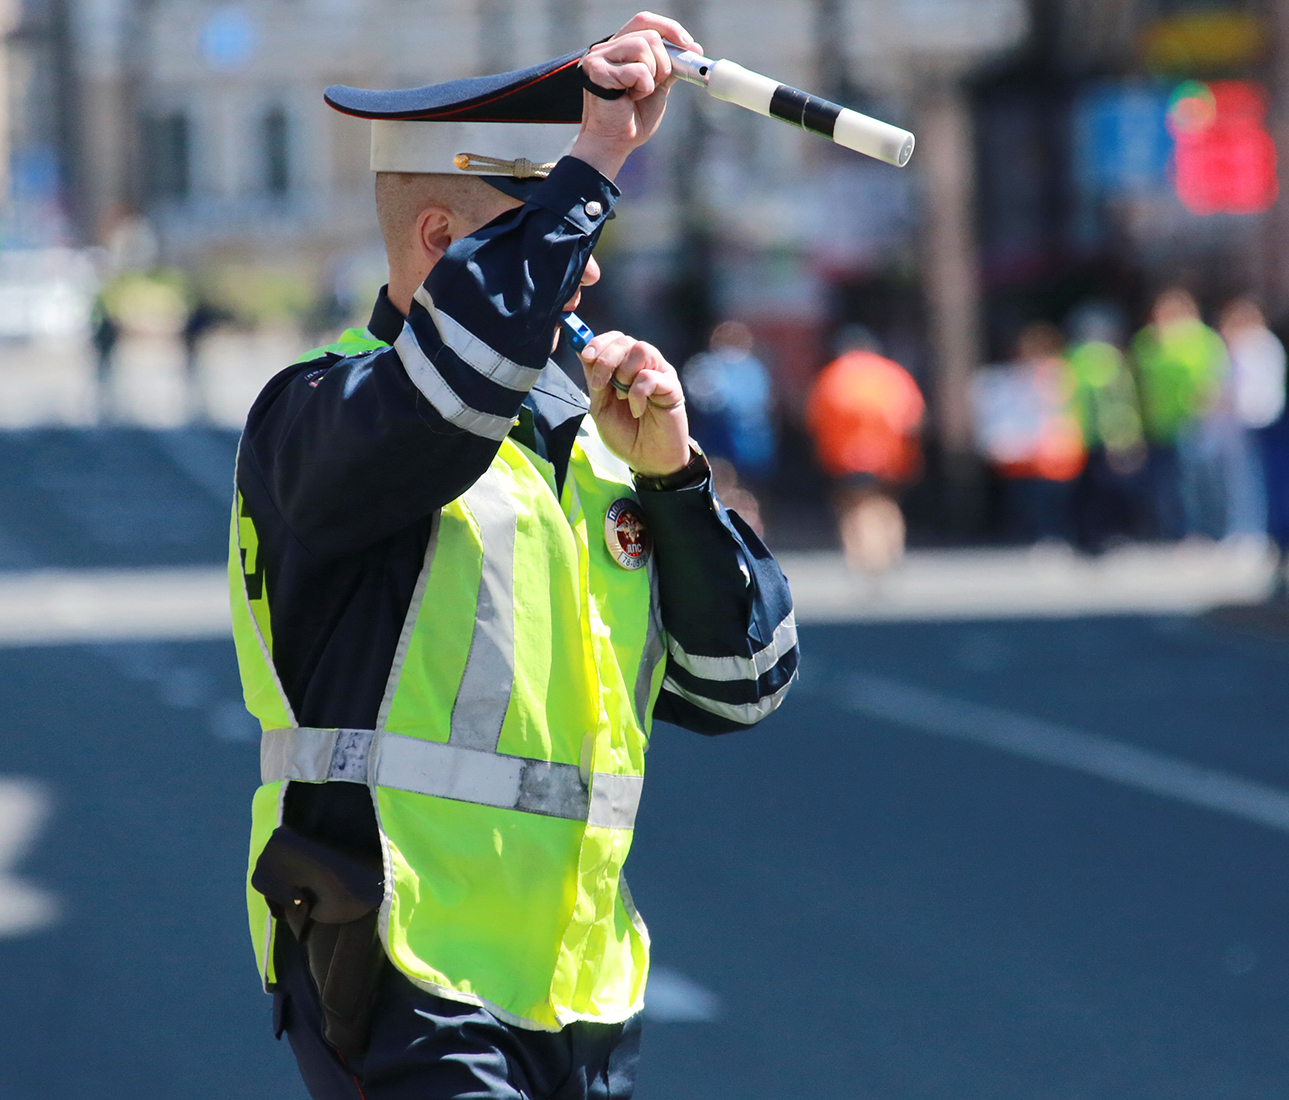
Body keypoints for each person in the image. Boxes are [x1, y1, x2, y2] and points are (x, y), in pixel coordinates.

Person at [229, 18, 798, 1100]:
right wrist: (591, 163)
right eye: (552, 239)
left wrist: (674, 482)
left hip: (579, 985)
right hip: (402, 950)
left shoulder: (587, 437)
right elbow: (446, 388)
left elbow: (746, 686)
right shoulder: (322, 411)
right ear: (439, 240)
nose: (580, 278)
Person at [805, 325, 925, 576]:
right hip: (891, 457)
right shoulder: (892, 374)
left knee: (854, 508)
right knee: (886, 503)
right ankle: (891, 549)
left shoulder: (833, 376)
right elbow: (913, 417)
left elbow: (815, 419)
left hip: (846, 458)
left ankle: (865, 557)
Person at [969, 322, 1085, 543]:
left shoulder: (1059, 374)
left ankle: (1058, 538)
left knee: (1056, 504)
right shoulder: (1015, 377)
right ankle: (1040, 538)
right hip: (1026, 458)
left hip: (1059, 454)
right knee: (1030, 503)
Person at [1131, 286, 1227, 539]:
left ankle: (1200, 532)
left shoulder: (1202, 339)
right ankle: (1172, 532)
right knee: (1165, 485)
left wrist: (1204, 407)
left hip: (1193, 423)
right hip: (1158, 426)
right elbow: (1140, 382)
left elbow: (1214, 378)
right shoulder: (1148, 341)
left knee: (1195, 483)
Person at [1064, 304, 1147, 552]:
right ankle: (1100, 537)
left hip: (1079, 436)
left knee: (1087, 491)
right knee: (1103, 490)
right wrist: (1125, 435)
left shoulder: (1073, 357)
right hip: (1100, 437)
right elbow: (1117, 402)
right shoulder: (1106, 358)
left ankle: (1088, 537)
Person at [681, 320, 775, 533]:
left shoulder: (753, 368)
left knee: (747, 491)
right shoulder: (706, 365)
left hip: (750, 444)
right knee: (722, 486)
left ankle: (749, 531)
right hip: (720, 441)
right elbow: (700, 400)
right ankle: (726, 528)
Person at [1216, 295, 1285, 546]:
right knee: (1245, 481)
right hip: (1249, 422)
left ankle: (1252, 531)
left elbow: (1242, 389)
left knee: (1252, 481)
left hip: (1256, 421)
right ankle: (1247, 529)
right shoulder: (1261, 344)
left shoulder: (1255, 345)